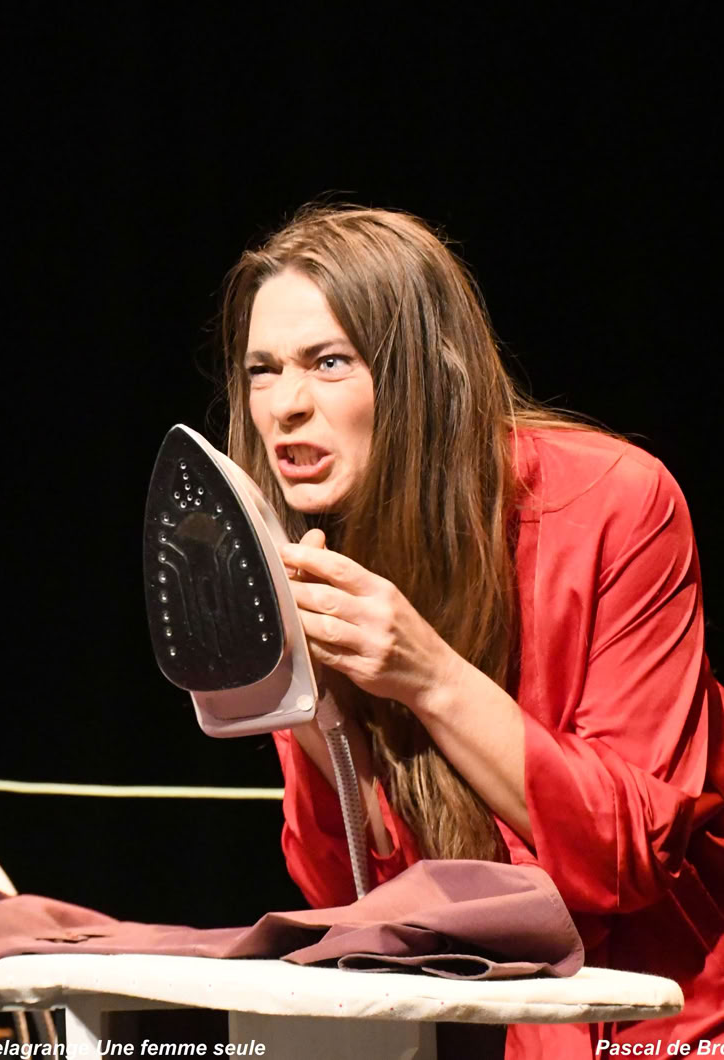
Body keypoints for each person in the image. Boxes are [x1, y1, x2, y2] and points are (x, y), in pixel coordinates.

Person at [220, 204, 723, 1057]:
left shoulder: (614, 501)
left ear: (417, 372)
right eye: (262, 370)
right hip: (470, 1026)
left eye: (329, 362)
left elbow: (630, 855)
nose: (286, 406)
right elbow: (352, 893)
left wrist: (428, 673)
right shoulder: (310, 549)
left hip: (658, 1020)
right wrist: (310, 708)